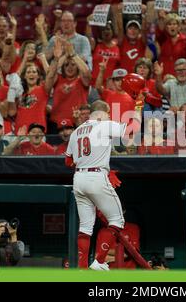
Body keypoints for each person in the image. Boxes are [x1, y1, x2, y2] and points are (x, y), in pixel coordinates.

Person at [65, 108, 130, 270]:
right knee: (117, 219)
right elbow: (130, 130)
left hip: (78, 179)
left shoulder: (75, 132)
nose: (108, 119)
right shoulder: (103, 125)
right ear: (100, 117)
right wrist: (137, 106)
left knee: (85, 227)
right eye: (107, 117)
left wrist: (84, 161)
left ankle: (82, 267)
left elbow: (67, 162)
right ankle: (99, 261)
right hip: (97, 176)